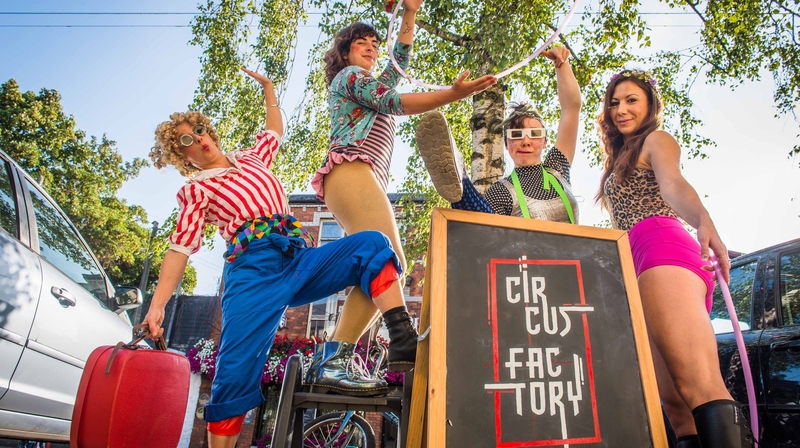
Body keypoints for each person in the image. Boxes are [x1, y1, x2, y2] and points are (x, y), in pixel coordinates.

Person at [143, 68, 416, 448]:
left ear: (209, 131)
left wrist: (270, 90)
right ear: (182, 154)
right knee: (234, 375)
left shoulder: (252, 160)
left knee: (372, 244)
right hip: (252, 274)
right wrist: (158, 306)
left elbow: (274, 130)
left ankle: (403, 337)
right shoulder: (196, 188)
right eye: (185, 140)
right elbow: (179, 249)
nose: (198, 140)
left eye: (198, 130)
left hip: (294, 258)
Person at [306, 0, 497, 394]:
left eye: (375, 44)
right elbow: (396, 102)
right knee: (385, 257)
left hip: (362, 177)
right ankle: (390, 338)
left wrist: (409, 13)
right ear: (344, 53)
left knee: (387, 263)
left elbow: (400, 62)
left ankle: (336, 357)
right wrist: (453, 94)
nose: (372, 49)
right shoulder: (350, 79)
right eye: (362, 43)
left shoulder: (370, 78)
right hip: (350, 170)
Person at [596, 69, 752, 448]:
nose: (621, 109)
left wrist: (703, 220)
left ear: (649, 104)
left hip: (661, 245)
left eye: (632, 99)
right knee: (674, 404)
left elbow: (673, 183)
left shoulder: (656, 140)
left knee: (698, 383)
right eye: (615, 102)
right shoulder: (618, 158)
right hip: (633, 261)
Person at [416, 45, 582, 224]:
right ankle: (460, 183)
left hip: (573, 251)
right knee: (484, 223)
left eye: (534, 134)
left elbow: (571, 108)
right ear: (506, 145)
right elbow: (489, 242)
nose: (525, 141)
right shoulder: (501, 192)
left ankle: (462, 182)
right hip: (521, 251)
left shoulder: (558, 168)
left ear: (544, 142)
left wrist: (562, 65)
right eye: (517, 135)